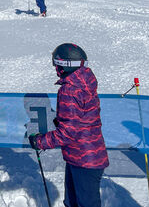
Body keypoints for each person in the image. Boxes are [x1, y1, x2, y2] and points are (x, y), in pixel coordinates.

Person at [29, 44, 109, 207]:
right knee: (72, 202)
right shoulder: (85, 82)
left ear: (63, 65)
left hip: (84, 160)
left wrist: (40, 142)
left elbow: (67, 133)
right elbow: (83, 119)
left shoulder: (69, 90)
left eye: (56, 64)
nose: (55, 68)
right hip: (85, 156)